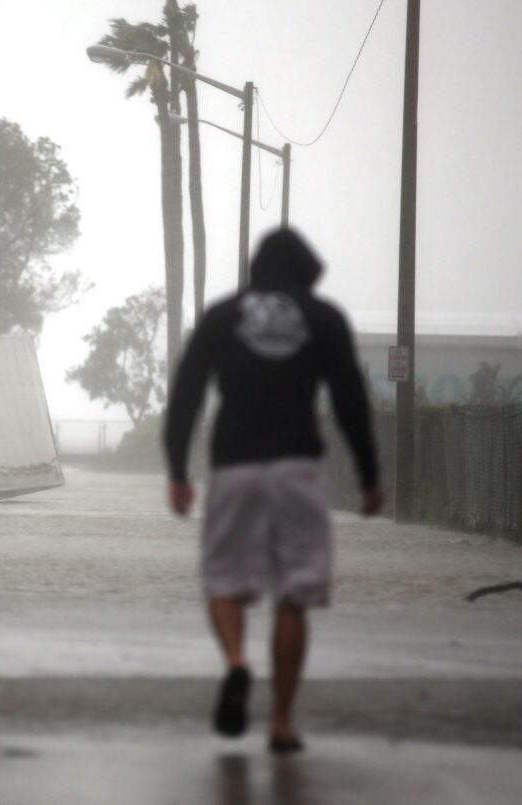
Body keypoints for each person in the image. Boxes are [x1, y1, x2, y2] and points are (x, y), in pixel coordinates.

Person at [163, 228, 383, 753]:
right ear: (305, 271)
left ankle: (238, 663)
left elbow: (187, 392)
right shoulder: (323, 318)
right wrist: (371, 475)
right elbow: (350, 398)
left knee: (223, 580)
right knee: (294, 593)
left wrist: (177, 470)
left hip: (235, 466)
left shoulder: (222, 316)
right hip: (297, 468)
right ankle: (282, 723)